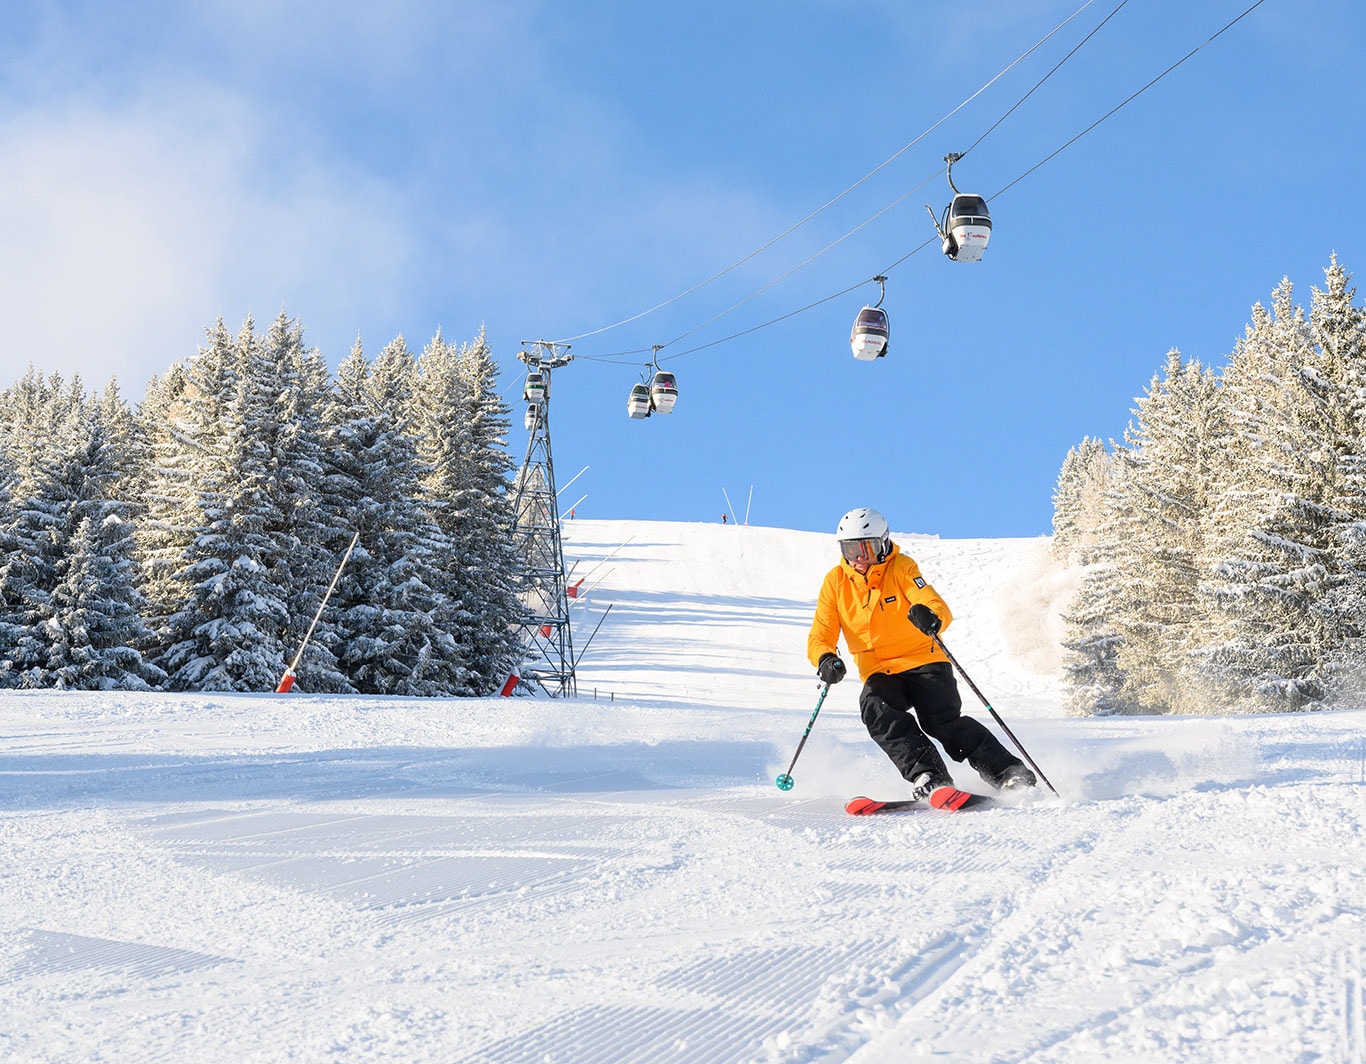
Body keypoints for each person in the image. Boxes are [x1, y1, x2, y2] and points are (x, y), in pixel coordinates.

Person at [806, 507, 1036, 799]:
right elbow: (821, 632)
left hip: (923, 660)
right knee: (876, 710)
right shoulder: (835, 582)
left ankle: (1010, 774)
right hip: (879, 669)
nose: (859, 558)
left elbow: (932, 602)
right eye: (851, 549)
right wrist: (825, 658)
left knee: (941, 721)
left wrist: (931, 617)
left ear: (884, 543)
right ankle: (930, 776)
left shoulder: (901, 567)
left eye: (867, 547)